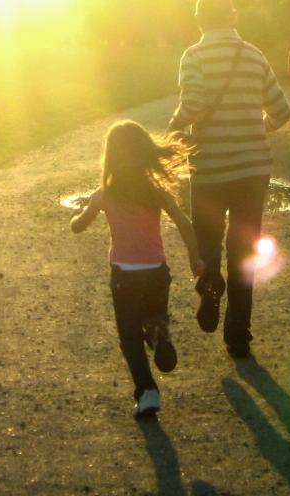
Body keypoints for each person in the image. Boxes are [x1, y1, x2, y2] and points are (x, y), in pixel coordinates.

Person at [167, 0, 290, 359]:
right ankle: (239, 333)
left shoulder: (193, 57)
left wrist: (174, 127)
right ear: (233, 16)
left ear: (199, 20)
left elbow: (194, 103)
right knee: (244, 250)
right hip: (253, 171)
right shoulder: (254, 56)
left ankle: (209, 283)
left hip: (209, 167)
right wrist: (258, 129)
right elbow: (282, 112)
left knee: (207, 241)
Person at [70, 120, 204, 418]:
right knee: (153, 315)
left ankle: (147, 392)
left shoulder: (104, 194)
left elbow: (78, 227)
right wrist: (195, 259)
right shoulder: (155, 191)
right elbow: (184, 223)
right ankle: (159, 336)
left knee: (129, 335)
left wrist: (79, 214)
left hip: (124, 275)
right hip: (156, 272)